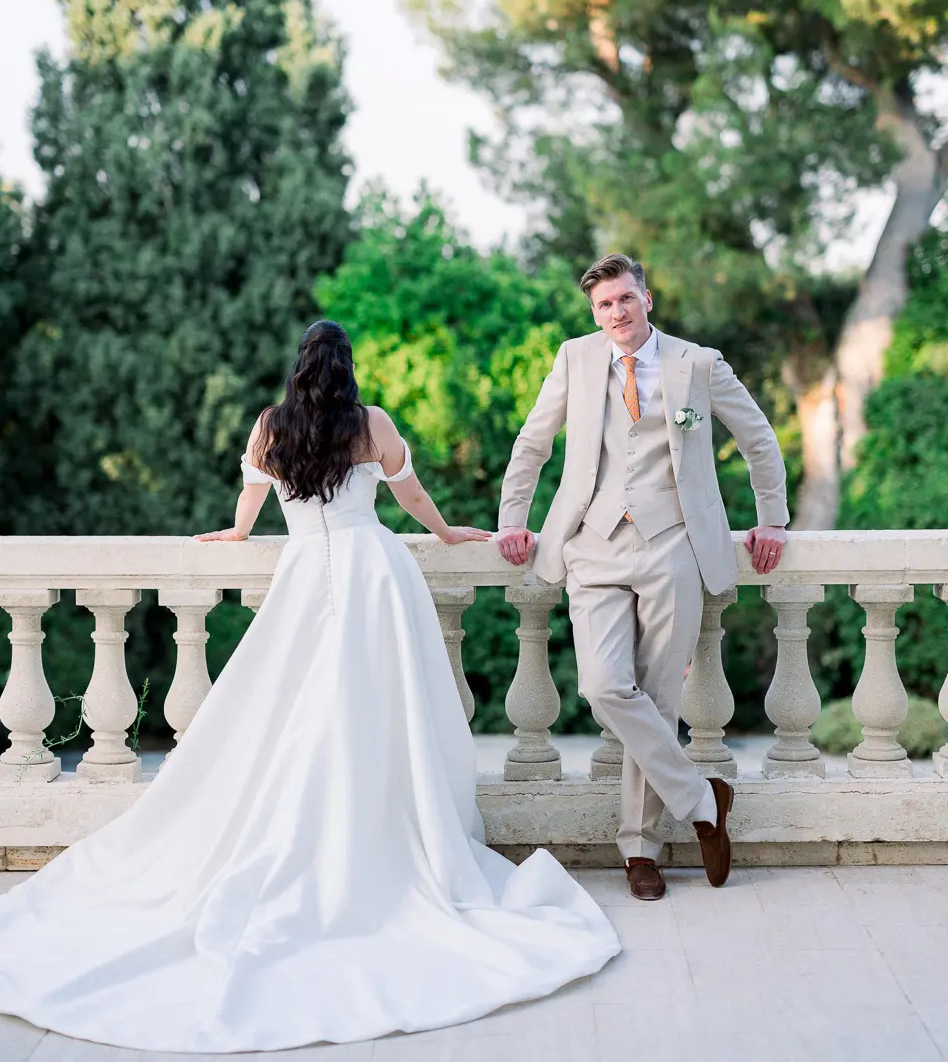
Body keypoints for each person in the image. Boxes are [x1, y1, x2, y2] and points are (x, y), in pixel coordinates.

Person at [0, 320, 619, 1053]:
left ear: (300, 367)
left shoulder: (271, 426)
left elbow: (251, 506)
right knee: (381, 711)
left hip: (305, 575)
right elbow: (413, 498)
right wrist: (452, 533)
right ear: (347, 367)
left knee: (290, 711)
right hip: (374, 574)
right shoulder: (372, 423)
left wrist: (233, 538)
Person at [498, 254, 788, 901]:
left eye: (626, 299)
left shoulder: (698, 364)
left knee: (657, 700)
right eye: (604, 305)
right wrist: (512, 518)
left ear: (647, 299)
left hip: (672, 546)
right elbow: (533, 442)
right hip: (593, 545)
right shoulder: (574, 359)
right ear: (594, 313)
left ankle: (640, 850)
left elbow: (758, 438)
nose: (616, 313)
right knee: (605, 686)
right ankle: (704, 802)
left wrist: (772, 519)